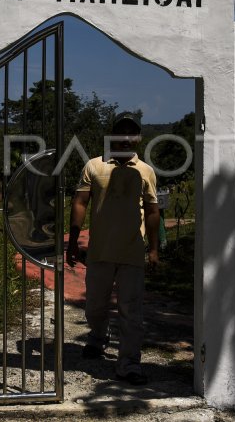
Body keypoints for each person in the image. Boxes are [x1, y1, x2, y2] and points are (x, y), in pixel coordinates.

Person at [66, 111, 160, 386]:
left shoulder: (146, 171)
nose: (126, 137)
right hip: (100, 251)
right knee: (95, 305)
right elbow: (80, 202)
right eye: (122, 131)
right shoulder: (94, 166)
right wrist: (73, 241)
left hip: (132, 252)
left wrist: (153, 250)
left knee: (131, 310)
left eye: (132, 132)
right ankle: (97, 336)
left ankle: (129, 364)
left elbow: (153, 211)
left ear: (138, 138)